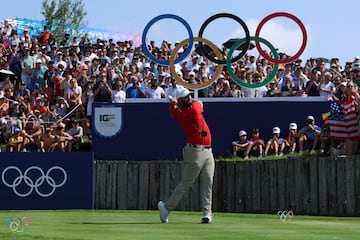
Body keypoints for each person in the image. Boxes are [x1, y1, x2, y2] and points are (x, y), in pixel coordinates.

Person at [158, 88, 215, 224]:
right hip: (195, 152)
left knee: (208, 182)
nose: (189, 97)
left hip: (208, 151)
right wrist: (175, 102)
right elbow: (199, 102)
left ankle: (207, 213)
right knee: (186, 183)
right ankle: (166, 208)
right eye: (186, 96)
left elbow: (173, 114)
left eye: (189, 95)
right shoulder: (194, 109)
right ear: (181, 100)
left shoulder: (181, 111)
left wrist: (172, 104)